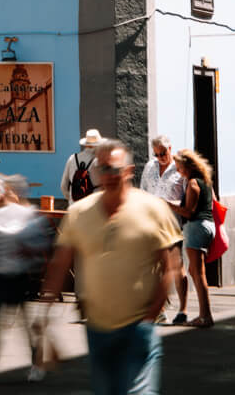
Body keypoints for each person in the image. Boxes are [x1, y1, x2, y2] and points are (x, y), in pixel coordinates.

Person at [39, 142, 179, 394]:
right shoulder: (79, 212)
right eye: (103, 170)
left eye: (114, 170)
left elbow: (170, 267)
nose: (109, 176)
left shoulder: (153, 209)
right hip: (98, 330)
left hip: (138, 328)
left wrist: (150, 317)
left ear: (128, 171)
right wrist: (46, 317)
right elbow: (60, 264)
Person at [0, 178, 51, 378]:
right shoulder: (1, 215)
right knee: (1, 325)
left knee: (11, 325)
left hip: (15, 276)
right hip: (2, 276)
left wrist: (27, 251)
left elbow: (41, 242)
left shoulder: (24, 214)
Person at [138, 139, 186, 324]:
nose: (160, 157)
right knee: (152, 268)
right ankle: (160, 310)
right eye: (156, 154)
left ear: (170, 148)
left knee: (176, 267)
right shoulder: (150, 166)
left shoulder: (179, 168)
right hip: (150, 224)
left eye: (163, 153)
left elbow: (186, 196)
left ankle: (182, 309)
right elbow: (142, 192)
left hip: (172, 224)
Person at [171, 149, 216, 329]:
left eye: (180, 168)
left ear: (188, 167)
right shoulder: (205, 181)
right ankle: (205, 315)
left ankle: (205, 316)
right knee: (195, 271)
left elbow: (189, 212)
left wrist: (167, 204)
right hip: (206, 225)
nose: (178, 171)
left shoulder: (193, 183)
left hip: (196, 226)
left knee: (198, 274)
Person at [61, 129, 101, 205]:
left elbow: (63, 186)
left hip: (74, 206)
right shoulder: (99, 161)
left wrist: (72, 199)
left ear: (86, 144)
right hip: (93, 206)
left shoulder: (72, 158)